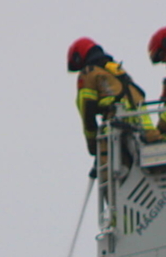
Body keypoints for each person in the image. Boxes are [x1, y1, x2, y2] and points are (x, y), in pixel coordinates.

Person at [67, 37, 156, 177]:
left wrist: (93, 145)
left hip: (115, 135)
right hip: (143, 136)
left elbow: (86, 110)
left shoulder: (89, 73)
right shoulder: (118, 71)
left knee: (110, 181)